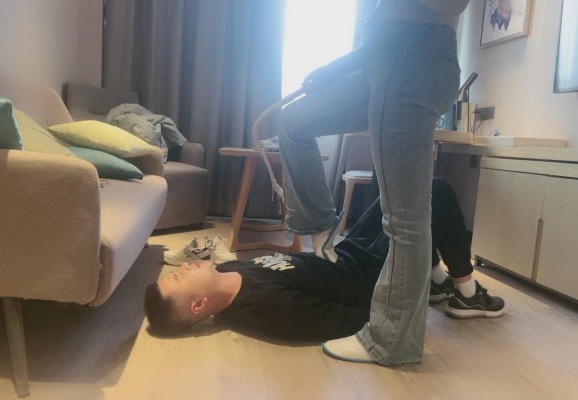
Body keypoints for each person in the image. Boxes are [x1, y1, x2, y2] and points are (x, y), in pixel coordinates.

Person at [275, 0, 470, 365]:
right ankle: (322, 230)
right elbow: (386, 29)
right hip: (384, 55)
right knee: (293, 122)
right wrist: (336, 68)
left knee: (404, 218)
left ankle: (393, 342)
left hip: (416, 57)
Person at [144, 179, 504, 341]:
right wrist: (402, 302)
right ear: (199, 305)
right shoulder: (264, 309)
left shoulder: (226, 271)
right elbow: (341, 321)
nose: (184, 268)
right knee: (434, 190)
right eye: (179, 278)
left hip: (348, 254)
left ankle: (435, 280)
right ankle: (466, 293)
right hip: (372, 276)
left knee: (392, 192)